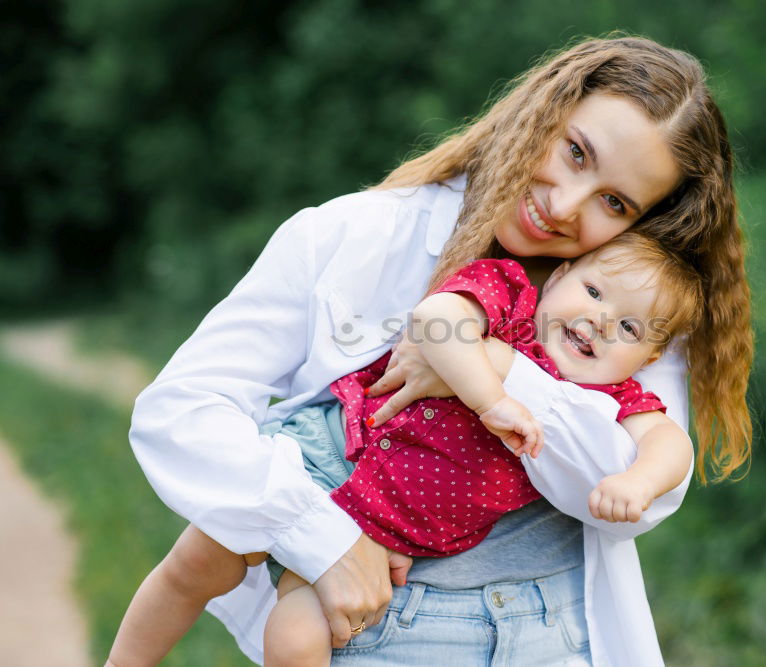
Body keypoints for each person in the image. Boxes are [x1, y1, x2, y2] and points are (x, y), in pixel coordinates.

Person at [111, 36, 753, 667]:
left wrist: (499, 371)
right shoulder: (354, 233)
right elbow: (182, 408)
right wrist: (321, 538)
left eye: (615, 203)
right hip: (376, 627)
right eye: (575, 152)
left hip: (556, 636)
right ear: (543, 109)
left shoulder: (632, 312)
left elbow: (636, 495)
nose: (562, 206)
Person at [110, 232, 704, 666]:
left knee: (294, 642)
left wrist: (639, 482)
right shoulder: (514, 301)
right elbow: (437, 317)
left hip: (386, 530)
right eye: (594, 291)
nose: (600, 321)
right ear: (561, 274)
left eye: (630, 328)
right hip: (330, 452)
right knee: (196, 564)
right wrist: (490, 397)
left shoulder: (609, 398)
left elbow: (668, 443)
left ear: (650, 360)